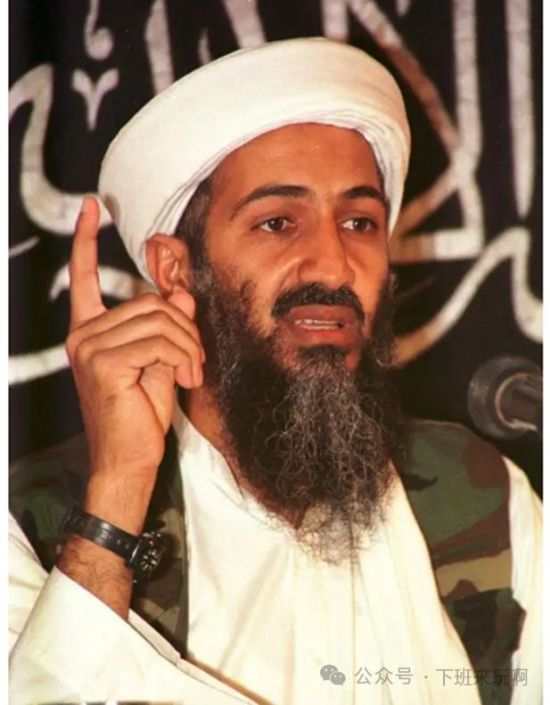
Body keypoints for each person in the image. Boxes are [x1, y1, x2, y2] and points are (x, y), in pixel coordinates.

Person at [9, 38, 541, 705]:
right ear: (177, 268)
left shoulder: (483, 498)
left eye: (360, 222)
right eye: (278, 223)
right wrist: (117, 493)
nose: (333, 264)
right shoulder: (28, 524)